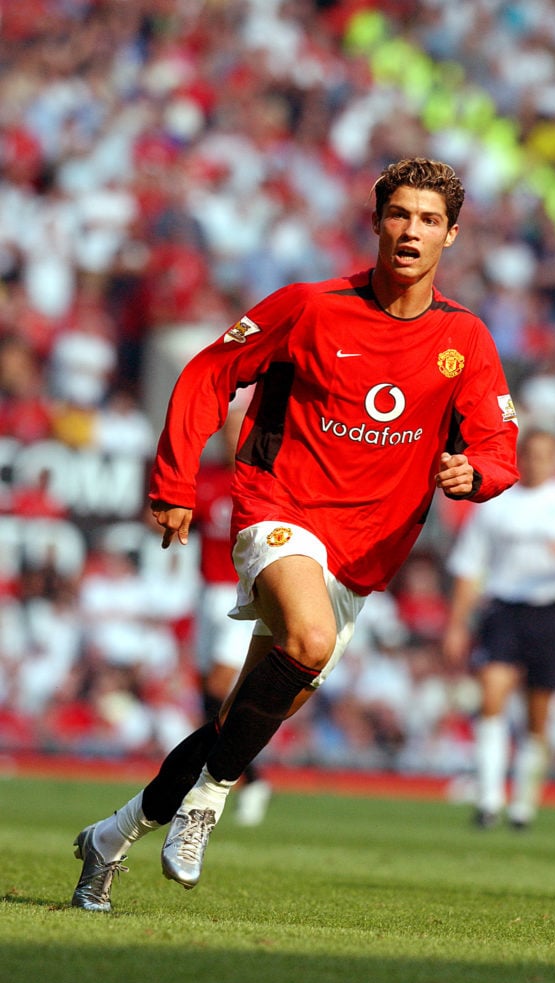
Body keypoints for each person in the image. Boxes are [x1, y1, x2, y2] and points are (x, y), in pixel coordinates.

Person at [71, 156, 519, 911]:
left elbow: (496, 447)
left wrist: (474, 475)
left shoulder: (464, 340)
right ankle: (207, 806)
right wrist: (175, 484)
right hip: (279, 507)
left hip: (364, 555)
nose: (411, 230)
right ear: (376, 222)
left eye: (428, 220)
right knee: (305, 643)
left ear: (451, 236)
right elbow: (208, 373)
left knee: (239, 718)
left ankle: (110, 838)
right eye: (400, 214)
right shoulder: (309, 306)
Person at [442, 427, 555, 830]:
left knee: (538, 714)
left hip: (549, 612)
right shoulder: (496, 504)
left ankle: (523, 802)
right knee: (492, 695)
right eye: (530, 454)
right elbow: (469, 567)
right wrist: (456, 624)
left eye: (544, 455)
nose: (536, 462)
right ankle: (488, 800)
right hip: (503, 609)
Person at [194, 401, 272, 826]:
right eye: (226, 432)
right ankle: (246, 775)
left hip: (237, 594)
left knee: (222, 684)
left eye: (238, 432)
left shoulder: (260, 480)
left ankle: (232, 776)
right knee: (206, 693)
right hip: (205, 591)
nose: (230, 439)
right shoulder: (206, 478)